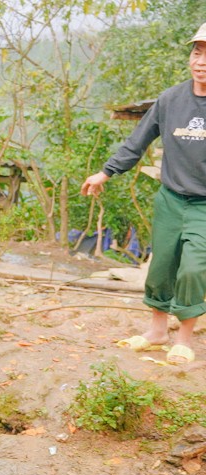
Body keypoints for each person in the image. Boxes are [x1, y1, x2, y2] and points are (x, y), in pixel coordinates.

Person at [81, 23, 206, 366]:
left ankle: (183, 338)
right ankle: (156, 332)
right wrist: (105, 172)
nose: (201, 61)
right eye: (197, 52)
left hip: (205, 205)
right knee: (162, 264)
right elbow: (138, 141)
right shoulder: (170, 100)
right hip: (171, 198)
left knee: (194, 268)